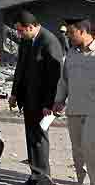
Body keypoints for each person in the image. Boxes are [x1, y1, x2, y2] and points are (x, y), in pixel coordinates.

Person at [8, 11, 63, 185]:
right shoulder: (25, 41)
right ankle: (35, 174)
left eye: (21, 31)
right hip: (28, 98)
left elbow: (55, 77)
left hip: (43, 102)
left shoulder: (49, 41)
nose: (19, 34)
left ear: (31, 27)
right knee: (31, 137)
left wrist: (49, 103)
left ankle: (44, 177)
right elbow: (20, 68)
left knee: (40, 138)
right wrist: (14, 93)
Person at [53, 18, 95, 185]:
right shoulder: (71, 53)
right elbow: (64, 80)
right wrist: (59, 100)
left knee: (90, 148)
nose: (68, 36)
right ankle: (81, 181)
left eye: (71, 33)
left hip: (93, 110)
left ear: (83, 31)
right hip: (75, 109)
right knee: (78, 152)